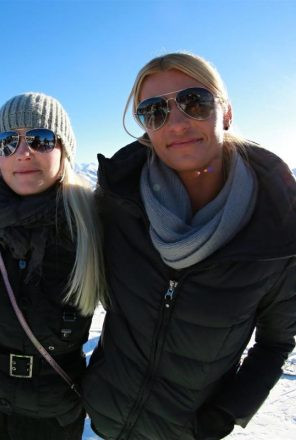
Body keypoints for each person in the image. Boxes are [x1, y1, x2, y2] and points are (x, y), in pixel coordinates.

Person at [79, 52, 296, 440]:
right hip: (105, 419)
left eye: (195, 102)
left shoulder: (279, 227)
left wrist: (224, 415)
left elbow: (276, 342)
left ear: (226, 113)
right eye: (154, 111)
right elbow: (48, 211)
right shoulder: (117, 201)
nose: (177, 123)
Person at [0, 92, 106, 440]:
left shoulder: (94, 224)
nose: (23, 152)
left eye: (40, 139)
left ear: (64, 150)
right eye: (8, 142)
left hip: (54, 404)